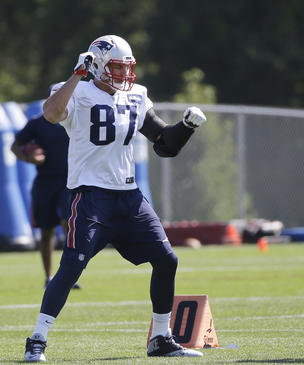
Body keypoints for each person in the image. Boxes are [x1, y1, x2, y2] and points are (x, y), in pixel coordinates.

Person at [23, 34, 207, 361]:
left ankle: (161, 338)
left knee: (167, 260)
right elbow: (51, 114)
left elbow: (164, 143)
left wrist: (187, 127)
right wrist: (78, 74)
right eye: (118, 68)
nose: (125, 75)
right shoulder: (75, 90)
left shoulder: (136, 96)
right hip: (91, 196)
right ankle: (37, 338)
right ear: (97, 65)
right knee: (72, 264)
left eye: (127, 68)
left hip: (129, 196)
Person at [11, 110, 81, 289]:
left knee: (69, 227)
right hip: (45, 182)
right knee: (46, 231)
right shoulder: (38, 123)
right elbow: (15, 146)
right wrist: (28, 157)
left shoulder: (77, 118)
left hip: (70, 181)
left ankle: (68, 276)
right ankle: (48, 277)